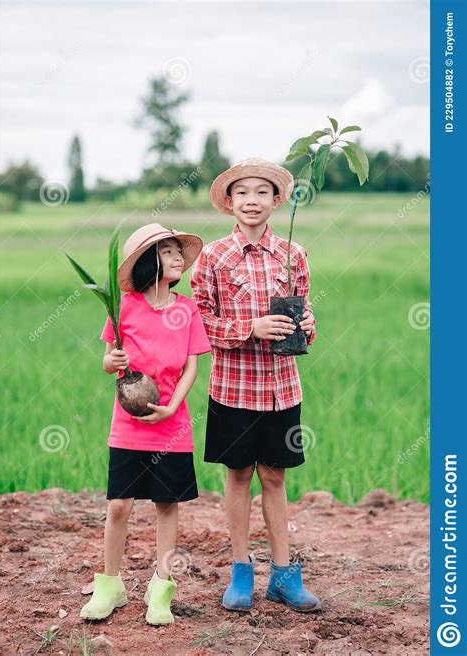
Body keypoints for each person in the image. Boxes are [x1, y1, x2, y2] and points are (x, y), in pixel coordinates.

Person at [190, 158, 320, 612]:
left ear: (277, 200)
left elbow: (307, 321)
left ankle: (283, 575)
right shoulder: (212, 256)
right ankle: (241, 570)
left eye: (261, 192)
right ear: (229, 202)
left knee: (275, 476)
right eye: (242, 193)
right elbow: (200, 321)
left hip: (283, 387)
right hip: (233, 388)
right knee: (239, 474)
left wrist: (305, 323)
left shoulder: (293, 254)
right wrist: (251, 327)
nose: (251, 200)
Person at [80, 223, 211, 625]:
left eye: (178, 251)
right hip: (128, 423)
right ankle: (111, 585)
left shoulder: (185, 308)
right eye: (167, 250)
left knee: (166, 504)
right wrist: (112, 363)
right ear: (146, 262)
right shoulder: (124, 307)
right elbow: (108, 361)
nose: (177, 257)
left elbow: (192, 364)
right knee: (118, 505)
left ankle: (161, 586)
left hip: (172, 425)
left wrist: (173, 406)